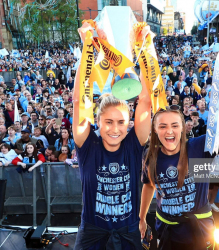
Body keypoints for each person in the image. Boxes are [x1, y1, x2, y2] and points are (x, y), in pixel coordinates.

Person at [72, 22, 151, 250]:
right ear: (97, 122)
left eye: (121, 122)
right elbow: (79, 100)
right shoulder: (88, 145)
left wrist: (143, 47)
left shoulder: (133, 146)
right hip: (92, 235)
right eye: (108, 122)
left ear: (130, 124)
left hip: (128, 233)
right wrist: (88, 48)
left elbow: (145, 101)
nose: (115, 129)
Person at [139, 106, 219, 250]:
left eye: (175, 125)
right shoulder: (150, 156)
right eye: (163, 126)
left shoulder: (199, 147)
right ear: (155, 129)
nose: (169, 131)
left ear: (183, 128)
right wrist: (142, 218)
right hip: (167, 231)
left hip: (200, 232)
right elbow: (149, 185)